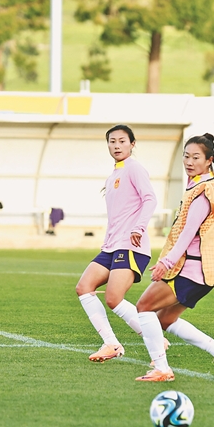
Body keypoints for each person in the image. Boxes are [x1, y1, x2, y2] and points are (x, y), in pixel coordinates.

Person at [133, 133, 214, 382]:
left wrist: (165, 263)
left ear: (209, 160)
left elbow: (188, 233)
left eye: (196, 157)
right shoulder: (203, 185)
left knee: (144, 307)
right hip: (203, 273)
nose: (189, 162)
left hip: (191, 270)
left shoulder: (203, 191)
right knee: (165, 319)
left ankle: (162, 368)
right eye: (186, 156)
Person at [75, 125, 158, 362]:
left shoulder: (134, 168)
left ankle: (155, 338)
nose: (117, 146)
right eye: (112, 142)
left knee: (113, 298)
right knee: (84, 287)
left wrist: (138, 227)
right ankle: (111, 344)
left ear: (132, 144)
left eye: (122, 141)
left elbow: (150, 199)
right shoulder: (113, 175)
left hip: (130, 246)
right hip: (111, 246)